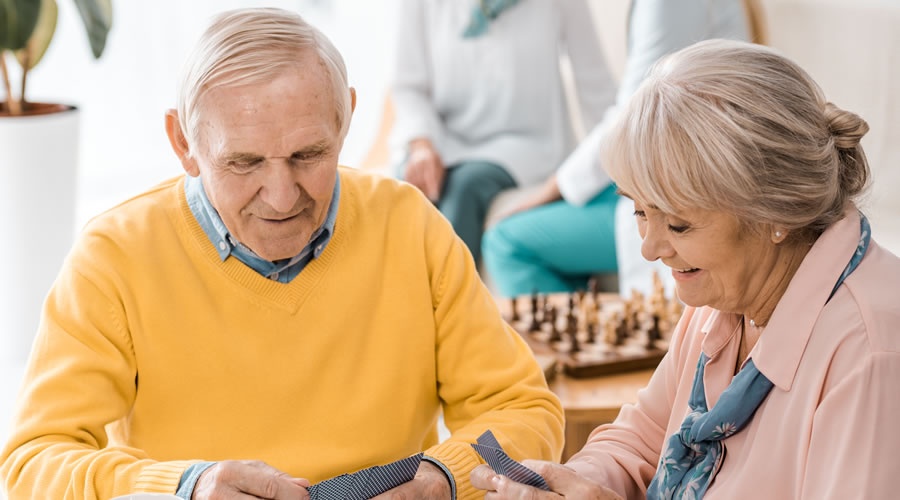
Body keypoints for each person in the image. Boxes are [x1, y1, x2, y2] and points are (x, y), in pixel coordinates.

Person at [0, 9, 565, 500]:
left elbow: (523, 411)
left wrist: (447, 477)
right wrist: (184, 487)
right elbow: (33, 464)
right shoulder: (114, 256)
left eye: (308, 154)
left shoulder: (409, 225)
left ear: (345, 118)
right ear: (184, 145)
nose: (281, 195)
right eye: (243, 162)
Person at [472, 40, 900, 499]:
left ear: (776, 213)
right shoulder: (726, 299)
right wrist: (577, 483)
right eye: (639, 212)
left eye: (677, 223)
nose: (650, 250)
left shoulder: (873, 357)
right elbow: (640, 438)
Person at [482, 0, 751, 298]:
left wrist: (551, 189)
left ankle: (580, 340)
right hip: (674, 167)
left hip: (688, 181)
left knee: (505, 242)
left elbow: (636, 114)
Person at [390, 0, 616, 263]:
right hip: (442, 139)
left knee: (465, 188)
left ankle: (443, 301)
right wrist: (422, 145)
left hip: (526, 146)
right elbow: (408, 87)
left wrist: (612, 168)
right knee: (407, 192)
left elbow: (597, 91)